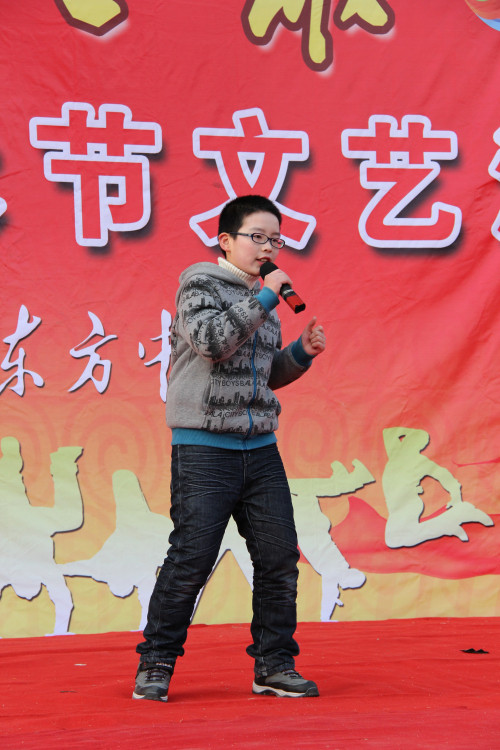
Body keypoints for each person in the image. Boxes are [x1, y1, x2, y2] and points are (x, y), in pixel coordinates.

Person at [133, 194, 326, 702]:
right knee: (191, 559)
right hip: (204, 449)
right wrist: (265, 299)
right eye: (257, 237)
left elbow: (262, 377)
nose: (268, 248)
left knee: (279, 557)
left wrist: (300, 354)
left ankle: (274, 665)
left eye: (275, 240)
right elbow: (212, 342)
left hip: (260, 449)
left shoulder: (264, 300)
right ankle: (156, 662)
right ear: (225, 240)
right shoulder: (199, 284)